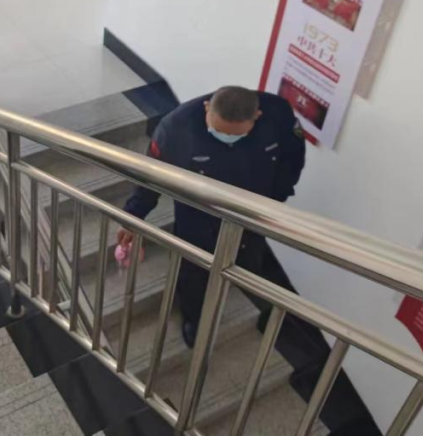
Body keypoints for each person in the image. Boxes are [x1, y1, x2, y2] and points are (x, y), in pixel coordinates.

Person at [117, 86, 379, 434]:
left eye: (235, 134)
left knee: (248, 263)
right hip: (198, 216)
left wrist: (275, 199)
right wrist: (133, 217)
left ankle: (233, 288)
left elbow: (292, 157)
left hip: (249, 217)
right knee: (194, 270)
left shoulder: (277, 114)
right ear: (207, 107)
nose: (224, 138)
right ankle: (194, 318)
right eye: (217, 130)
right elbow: (150, 177)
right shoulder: (176, 128)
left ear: (256, 118)